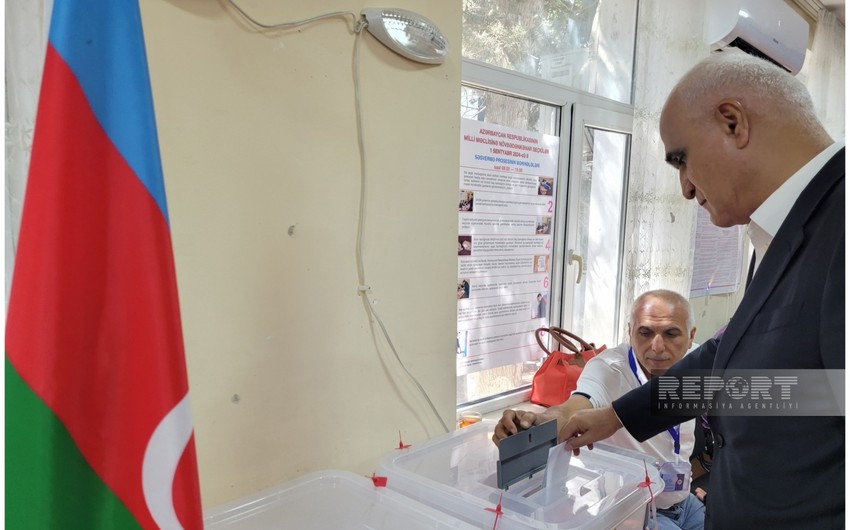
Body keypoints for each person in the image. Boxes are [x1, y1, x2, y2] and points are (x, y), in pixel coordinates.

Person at [558, 51, 844, 529]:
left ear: (733, 122)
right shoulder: (783, 231)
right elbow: (738, 363)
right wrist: (616, 417)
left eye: (682, 160)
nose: (686, 188)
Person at [494, 289, 705, 530]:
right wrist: (535, 421)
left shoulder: (699, 364)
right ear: (629, 331)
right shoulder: (609, 369)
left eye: (671, 333)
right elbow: (574, 408)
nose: (657, 346)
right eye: (645, 332)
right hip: (635, 511)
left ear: (691, 336)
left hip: (684, 501)